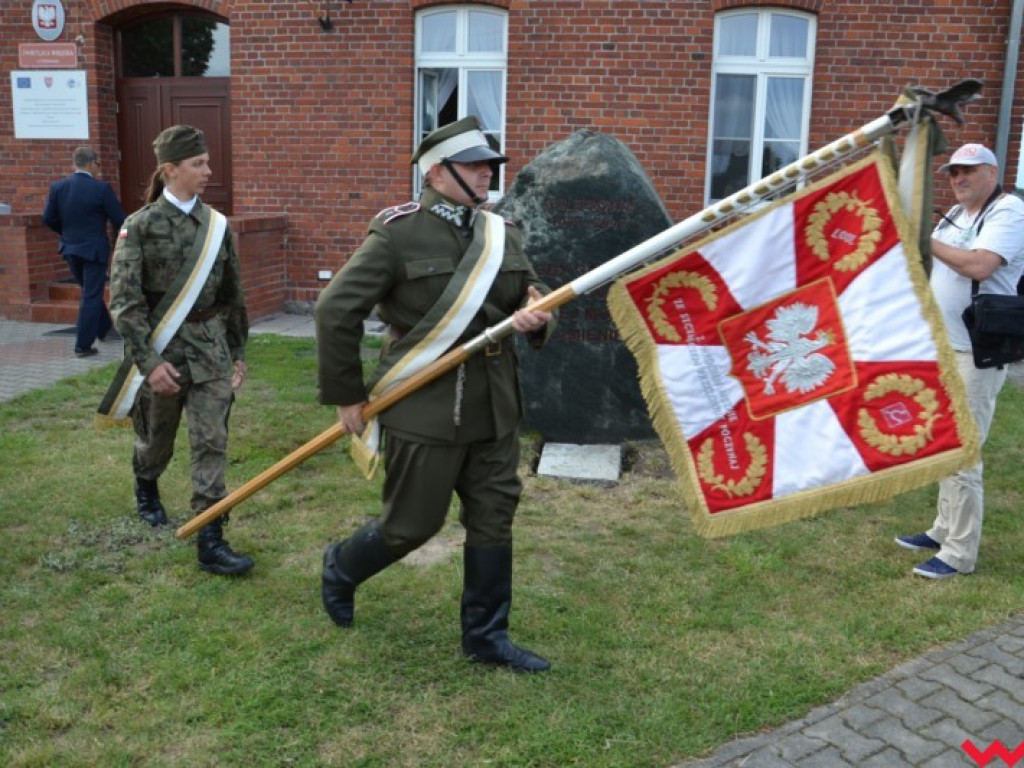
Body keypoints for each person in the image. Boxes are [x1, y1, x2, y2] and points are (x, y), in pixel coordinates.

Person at [315, 116, 556, 672]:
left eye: (489, 165)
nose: (487, 174)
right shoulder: (399, 232)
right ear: (436, 172)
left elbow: (533, 295)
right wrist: (347, 395)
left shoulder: (503, 232)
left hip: (496, 403)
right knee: (412, 526)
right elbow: (335, 311)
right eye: (474, 165)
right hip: (426, 403)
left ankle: (486, 638)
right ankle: (343, 567)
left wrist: (539, 320)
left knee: (494, 517)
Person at [107, 125, 254, 576]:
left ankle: (210, 535)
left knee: (212, 439)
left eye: (207, 162)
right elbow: (124, 303)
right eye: (198, 164)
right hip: (163, 353)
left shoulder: (218, 227)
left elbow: (233, 296)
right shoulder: (140, 227)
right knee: (158, 442)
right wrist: (149, 366)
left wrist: (238, 351)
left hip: (210, 350)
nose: (208, 171)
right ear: (171, 170)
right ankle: (146, 483)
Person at [895, 143, 1024, 579]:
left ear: (991, 172)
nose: (958, 179)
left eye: (968, 171)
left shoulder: (1008, 213)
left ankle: (959, 553)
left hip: (978, 350)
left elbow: (980, 265)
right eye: (952, 173)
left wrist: (922, 240)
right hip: (944, 346)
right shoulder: (955, 216)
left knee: (963, 452)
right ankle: (943, 528)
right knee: (944, 442)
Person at [42, 146, 126, 357]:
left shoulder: (58, 187)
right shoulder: (101, 189)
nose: (98, 169)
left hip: (70, 248)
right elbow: (119, 219)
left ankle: (103, 327)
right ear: (91, 164)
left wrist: (65, 232)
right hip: (94, 249)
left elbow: (48, 218)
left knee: (89, 291)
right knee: (91, 295)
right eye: (97, 165)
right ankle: (83, 345)